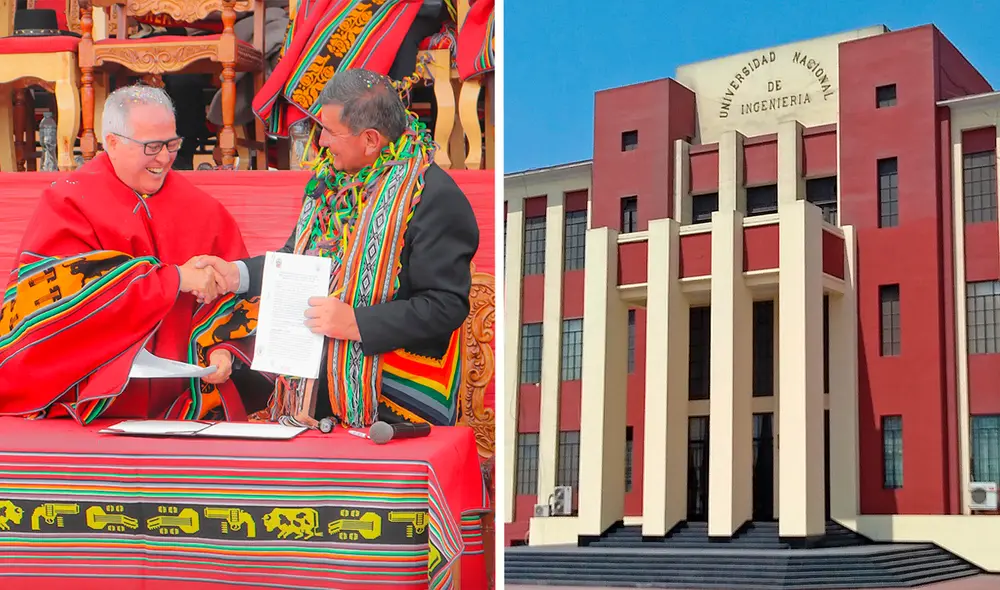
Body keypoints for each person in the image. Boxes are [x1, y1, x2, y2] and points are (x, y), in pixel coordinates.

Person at [196, 69, 479, 429]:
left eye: (330, 131)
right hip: (316, 378)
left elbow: (445, 306)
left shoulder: (434, 196)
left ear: (371, 140)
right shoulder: (328, 182)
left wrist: (357, 323)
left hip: (394, 392)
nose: (321, 142)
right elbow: (297, 266)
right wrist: (238, 274)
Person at [0, 85, 267, 425]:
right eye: (151, 147)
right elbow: (56, 299)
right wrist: (176, 278)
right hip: (95, 396)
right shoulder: (68, 203)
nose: (164, 158)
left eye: (172, 145)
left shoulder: (203, 210)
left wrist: (224, 349)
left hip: (186, 397)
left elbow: (234, 298)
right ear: (112, 142)